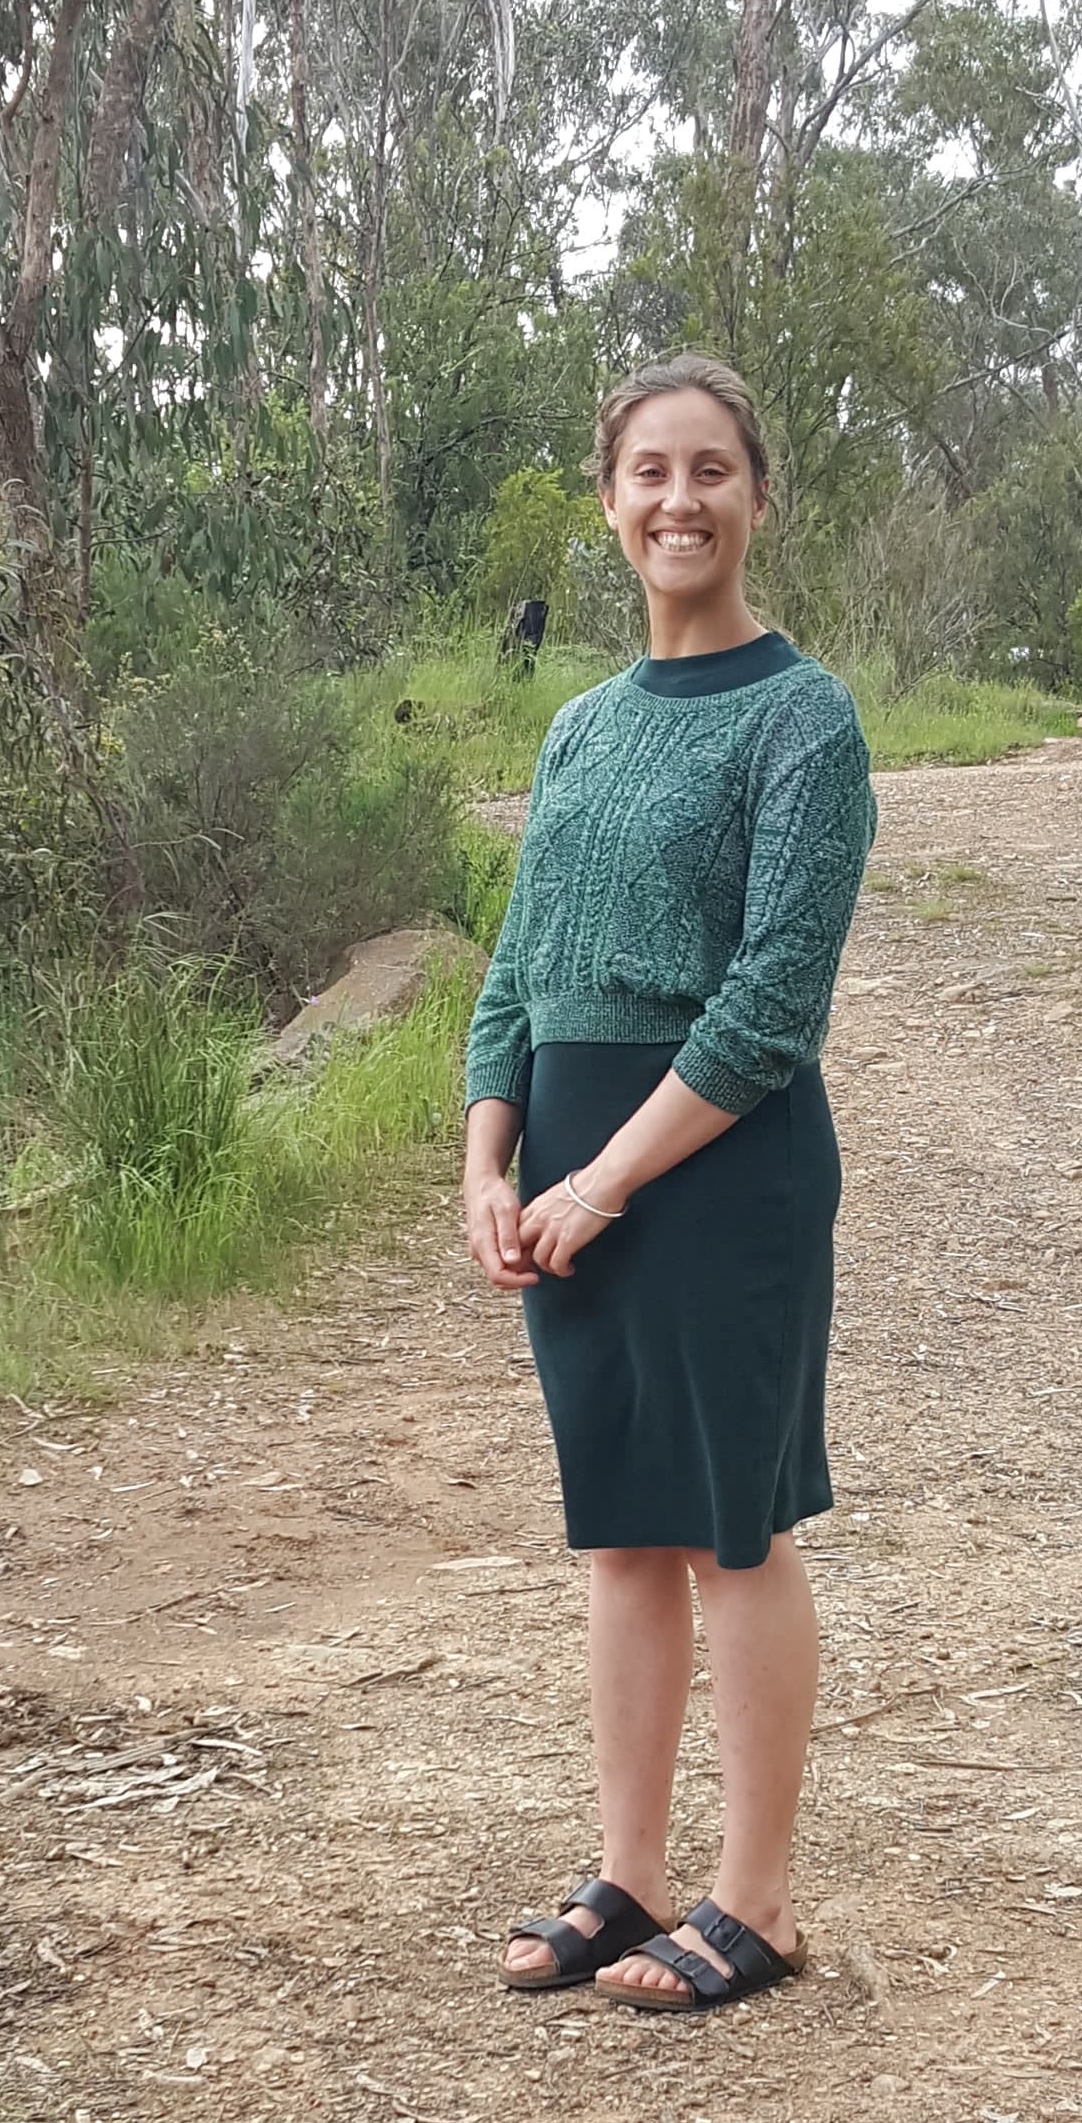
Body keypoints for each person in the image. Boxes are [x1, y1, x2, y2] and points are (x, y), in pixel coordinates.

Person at [460, 352, 878, 2017]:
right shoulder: (577, 728)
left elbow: (773, 996)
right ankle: (627, 1878)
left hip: (716, 1171)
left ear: (757, 498)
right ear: (609, 498)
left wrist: (607, 1181)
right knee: (619, 1539)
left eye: (710, 470)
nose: (677, 501)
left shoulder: (804, 717)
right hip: (569, 1174)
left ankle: (752, 1903)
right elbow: (516, 970)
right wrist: (488, 1164)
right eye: (647, 471)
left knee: (732, 1532)